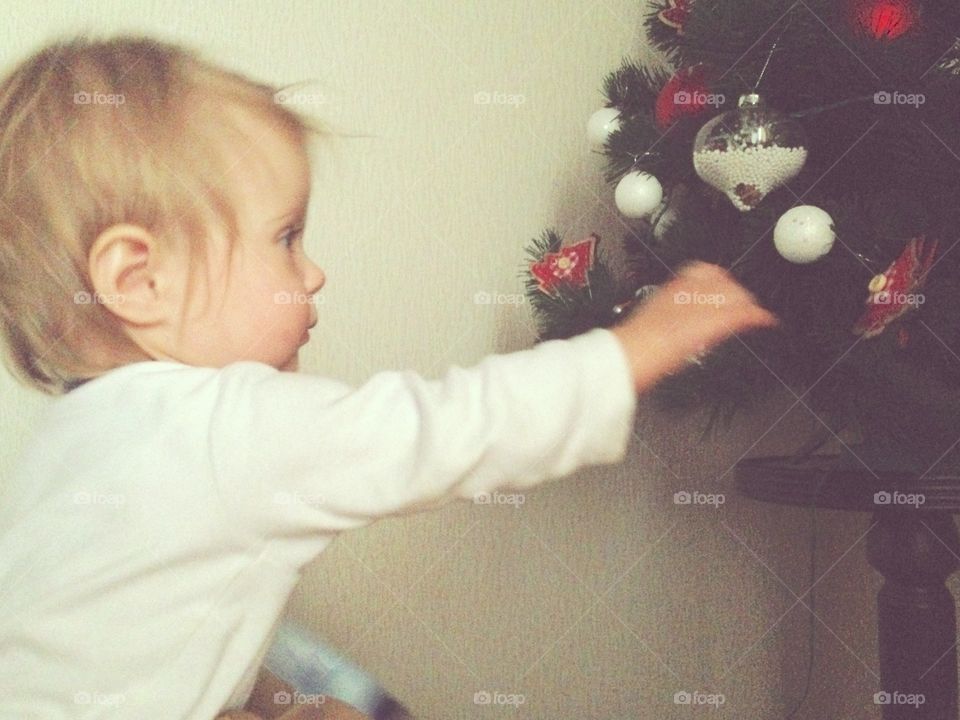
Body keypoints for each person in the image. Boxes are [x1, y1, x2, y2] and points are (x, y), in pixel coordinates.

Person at [0, 34, 779, 720]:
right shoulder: (222, 422)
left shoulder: (71, 441)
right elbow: (449, 430)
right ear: (140, 281)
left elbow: (161, 638)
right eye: (286, 237)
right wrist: (636, 348)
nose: (313, 273)